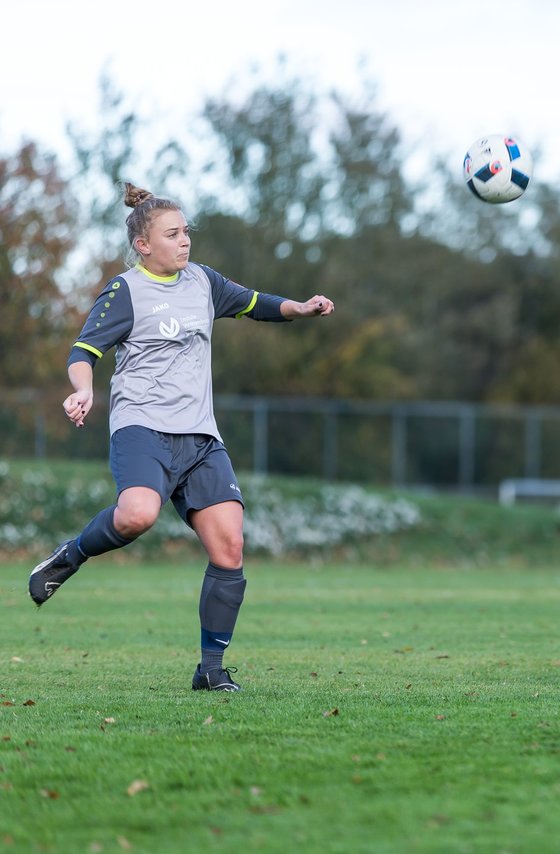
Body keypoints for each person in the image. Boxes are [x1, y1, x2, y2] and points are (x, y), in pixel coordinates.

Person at [28, 182, 336, 692]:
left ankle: (211, 671)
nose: (185, 241)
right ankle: (71, 556)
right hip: (142, 427)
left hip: (199, 437)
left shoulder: (203, 282)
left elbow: (256, 302)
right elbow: (83, 351)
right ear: (144, 245)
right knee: (137, 515)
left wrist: (299, 308)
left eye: (186, 232)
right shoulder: (125, 290)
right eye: (173, 234)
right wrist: (81, 391)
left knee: (230, 545)